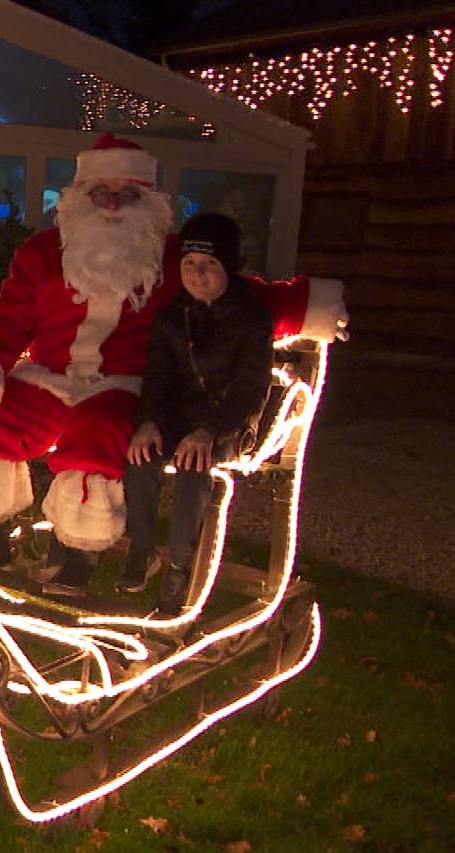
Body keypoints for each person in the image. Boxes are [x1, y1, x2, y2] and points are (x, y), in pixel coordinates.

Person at [0, 133, 181, 595]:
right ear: (79, 198)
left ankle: (77, 552)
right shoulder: (45, 252)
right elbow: (8, 320)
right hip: (48, 380)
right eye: (100, 193)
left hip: (122, 386)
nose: (112, 204)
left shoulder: (173, 258)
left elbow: (239, 296)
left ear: (147, 201)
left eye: (126, 195)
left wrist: (310, 305)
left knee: (98, 432)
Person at [118, 213, 274, 615]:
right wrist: (148, 421)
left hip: (226, 421)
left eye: (209, 265)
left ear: (227, 266)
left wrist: (211, 430)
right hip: (179, 416)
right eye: (190, 264)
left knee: (193, 465)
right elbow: (158, 375)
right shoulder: (173, 315)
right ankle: (142, 549)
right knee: (140, 455)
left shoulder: (252, 317)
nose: (198, 274)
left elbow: (249, 389)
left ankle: (179, 569)